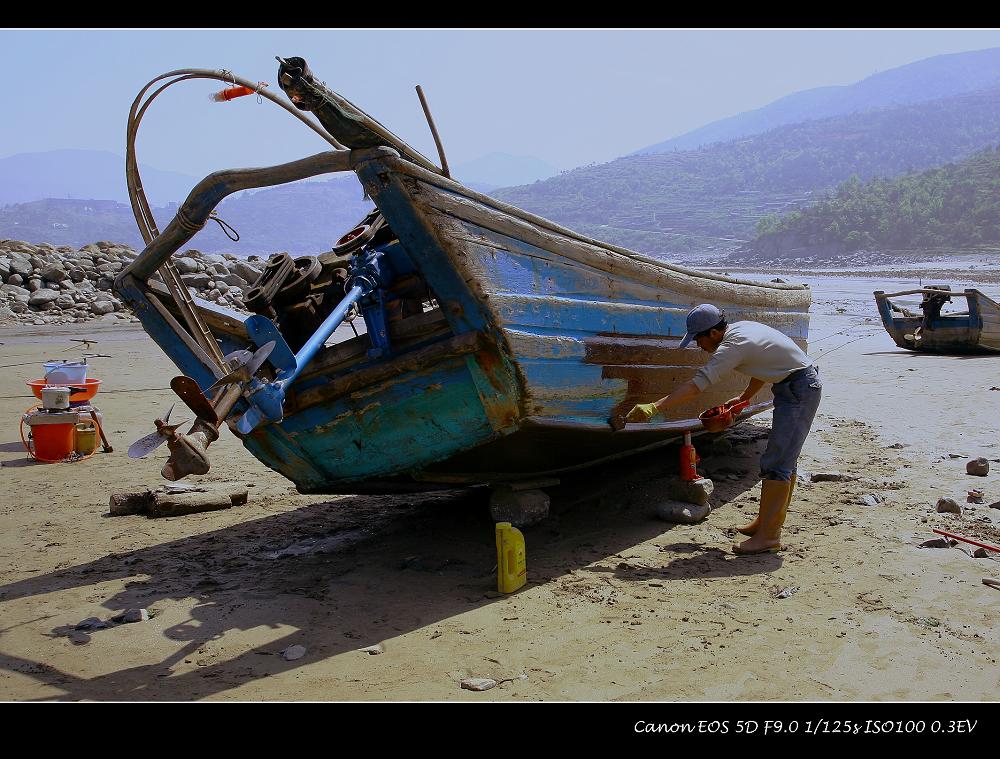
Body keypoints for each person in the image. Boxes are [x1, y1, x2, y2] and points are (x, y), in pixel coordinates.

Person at [625, 304, 822, 555]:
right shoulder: (742, 330)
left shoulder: (732, 345)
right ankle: (765, 524)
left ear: (713, 333)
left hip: (799, 390)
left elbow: (697, 386)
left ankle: (770, 537)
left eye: (699, 339)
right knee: (784, 460)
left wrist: (654, 407)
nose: (699, 345)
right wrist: (745, 397)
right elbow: (764, 364)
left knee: (778, 463)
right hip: (794, 386)